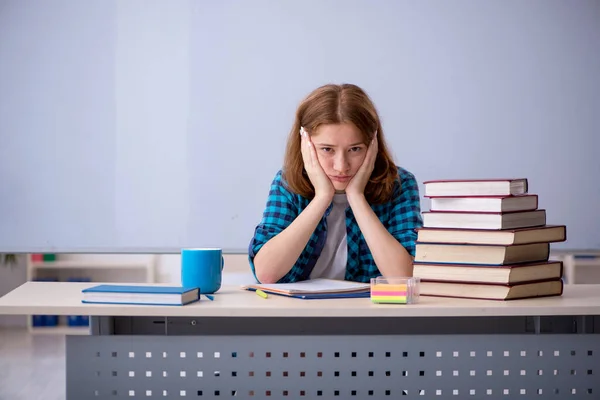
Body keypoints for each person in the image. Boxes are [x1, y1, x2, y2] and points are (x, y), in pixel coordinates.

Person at [248, 83, 423, 284]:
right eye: (327, 149)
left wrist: (356, 197)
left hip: (370, 313)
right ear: (305, 144)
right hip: (299, 313)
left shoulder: (400, 185)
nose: (341, 166)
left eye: (355, 149)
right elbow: (266, 273)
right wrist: (322, 197)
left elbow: (404, 278)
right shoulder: (287, 183)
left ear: (373, 144)